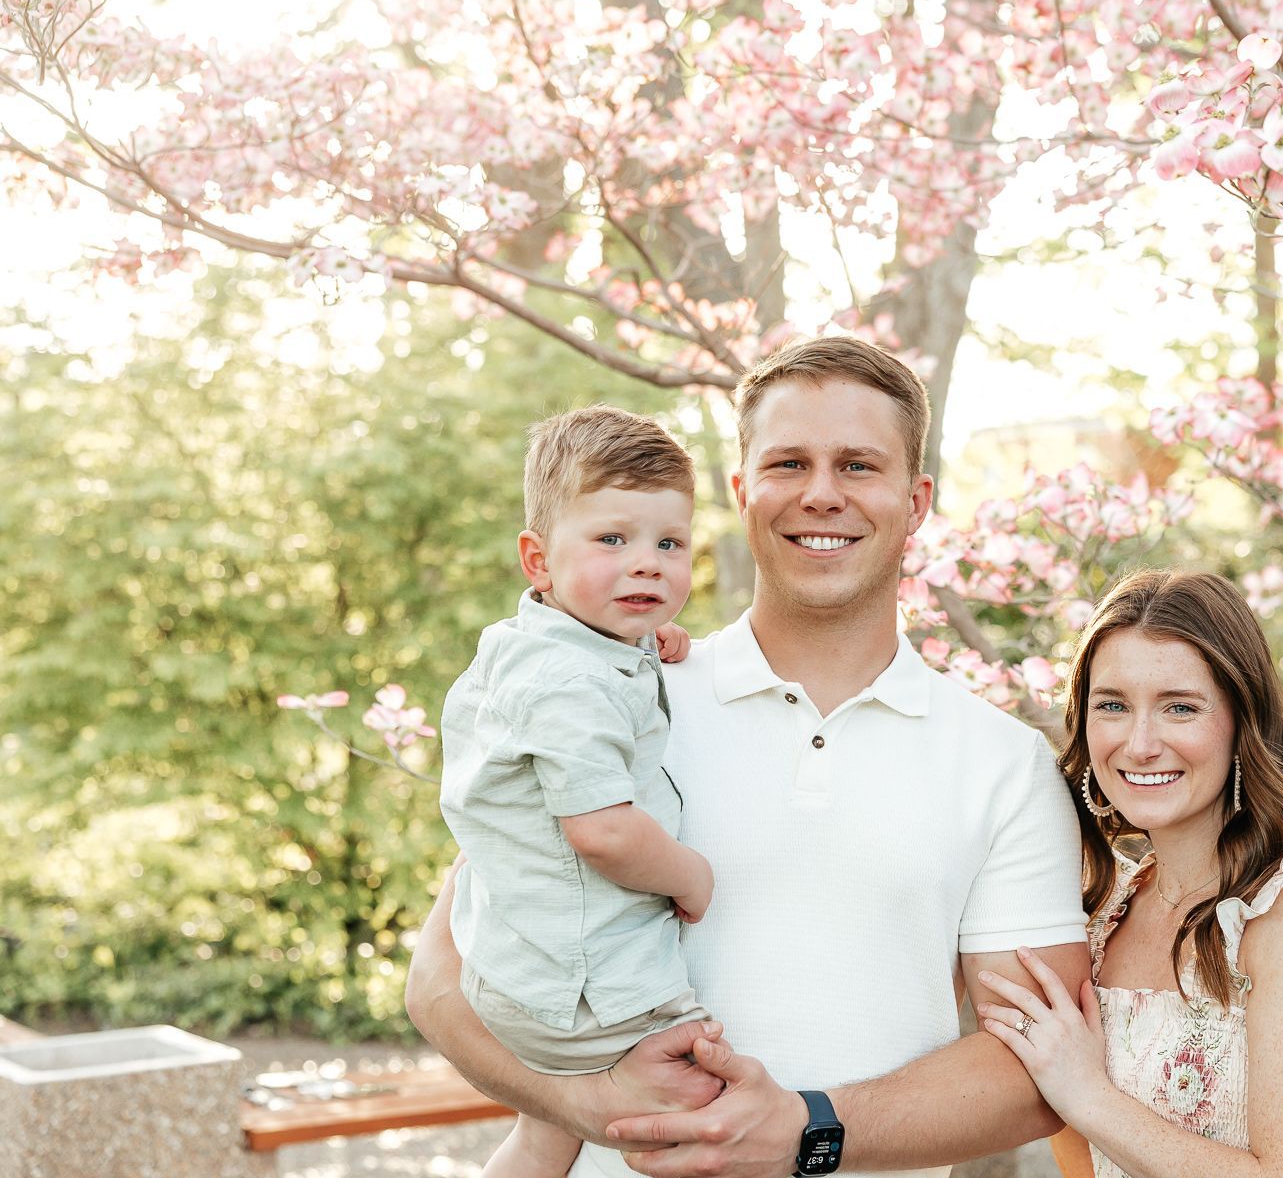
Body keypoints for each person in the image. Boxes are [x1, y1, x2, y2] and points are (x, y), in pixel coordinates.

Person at [406, 336, 1093, 1178]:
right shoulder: (614, 694)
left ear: (916, 502)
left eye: (858, 466)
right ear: (741, 492)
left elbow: (1036, 1070)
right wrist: (592, 1108)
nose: (821, 494)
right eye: (788, 463)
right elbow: (440, 977)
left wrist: (808, 1131)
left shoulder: (1004, 763)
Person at [974, 570, 1283, 1178]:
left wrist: (1087, 1096)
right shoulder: (1107, 915)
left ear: (1242, 722)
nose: (1139, 744)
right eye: (1112, 706)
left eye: (1179, 708)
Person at [437, 406, 712, 1177]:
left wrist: (652, 645)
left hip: (515, 961)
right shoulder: (568, 684)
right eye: (613, 540)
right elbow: (604, 832)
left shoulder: (548, 642)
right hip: (584, 985)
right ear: (538, 560)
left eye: (669, 544)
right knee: (702, 1104)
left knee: (544, 1137)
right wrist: (691, 876)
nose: (647, 564)